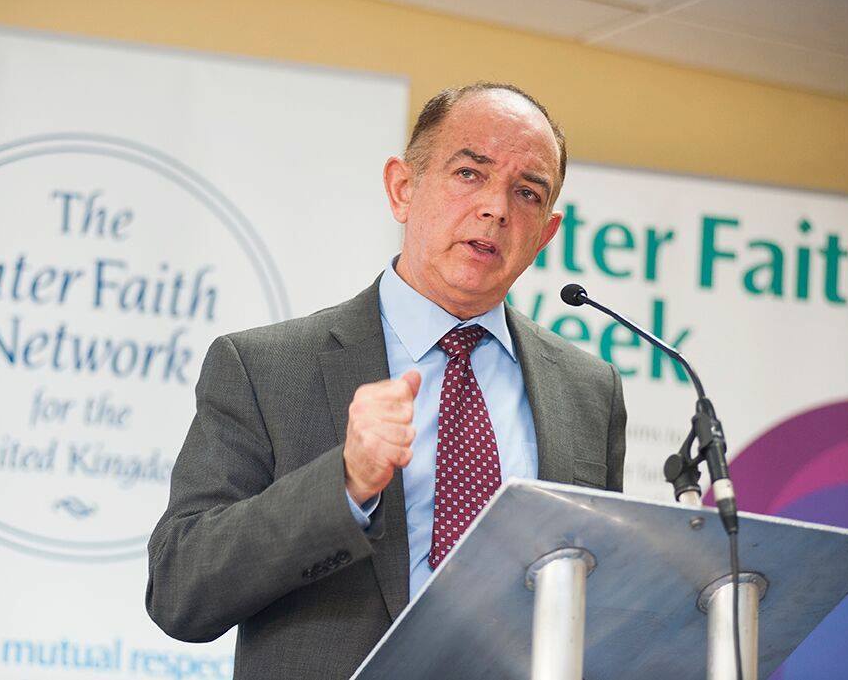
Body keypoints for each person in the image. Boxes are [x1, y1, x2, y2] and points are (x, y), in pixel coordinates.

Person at [145, 82, 626, 679]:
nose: (497, 209)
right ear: (403, 188)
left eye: (526, 192)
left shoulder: (588, 391)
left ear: (546, 234)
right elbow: (180, 590)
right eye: (470, 174)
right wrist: (344, 483)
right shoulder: (265, 368)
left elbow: (596, 596)